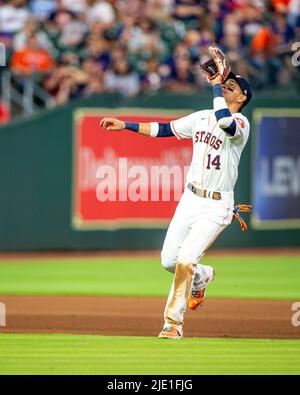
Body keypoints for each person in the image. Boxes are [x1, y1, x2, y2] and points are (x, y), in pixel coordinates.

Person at [100, 49, 252, 339]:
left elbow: (225, 123)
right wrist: (126, 126)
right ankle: (202, 276)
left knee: (185, 261)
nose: (225, 86)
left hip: (217, 206)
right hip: (191, 198)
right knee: (169, 260)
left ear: (242, 98)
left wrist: (214, 88)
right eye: (224, 83)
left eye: (231, 86)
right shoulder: (201, 118)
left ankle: (173, 324)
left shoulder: (241, 125)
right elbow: (164, 129)